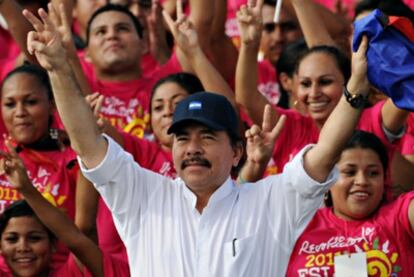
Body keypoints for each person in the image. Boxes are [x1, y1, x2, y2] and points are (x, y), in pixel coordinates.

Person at [26, 0, 373, 275]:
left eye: (207, 137)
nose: (192, 149)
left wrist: (356, 88)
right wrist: (58, 68)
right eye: (182, 138)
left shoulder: (271, 201)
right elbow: (87, 141)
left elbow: (326, 152)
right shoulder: (143, 196)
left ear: (237, 151)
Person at [236, 0, 409, 183]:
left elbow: (408, 85)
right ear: (292, 86)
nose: (314, 93)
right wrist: (249, 44)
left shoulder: (372, 121)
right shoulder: (290, 126)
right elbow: (246, 98)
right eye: (305, 84)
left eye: (325, 82)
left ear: (347, 82)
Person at [286, 130, 414, 276]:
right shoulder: (299, 225)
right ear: (329, 179)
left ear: (385, 180)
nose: (362, 181)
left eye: (373, 173)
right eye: (350, 172)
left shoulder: (401, 218)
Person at [0, 139, 129, 277]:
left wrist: (26, 189)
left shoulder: (72, 273)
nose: (23, 248)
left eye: (35, 238)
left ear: (54, 245)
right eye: (12, 239)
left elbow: (81, 234)